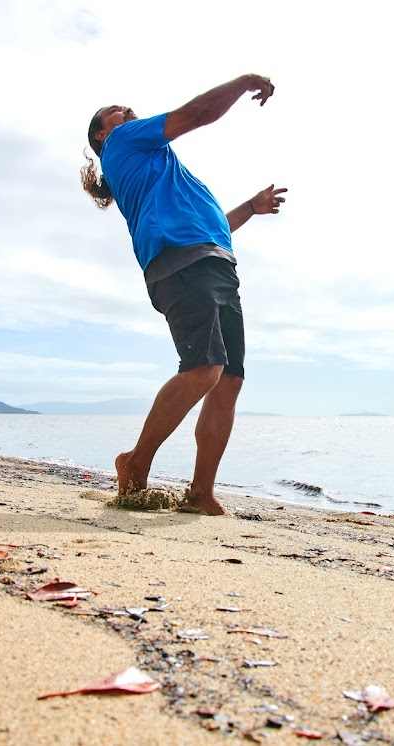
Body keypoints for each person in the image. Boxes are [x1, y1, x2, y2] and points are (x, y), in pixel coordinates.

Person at [80, 74, 287, 516]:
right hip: (182, 263)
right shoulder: (123, 143)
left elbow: (215, 230)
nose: (128, 110)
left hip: (215, 264)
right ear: (102, 133)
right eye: (116, 109)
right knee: (204, 368)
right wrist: (245, 81)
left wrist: (251, 207)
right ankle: (135, 463)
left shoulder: (166, 171)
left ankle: (200, 492)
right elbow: (197, 114)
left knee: (229, 379)